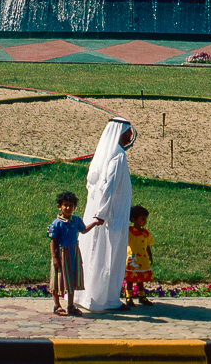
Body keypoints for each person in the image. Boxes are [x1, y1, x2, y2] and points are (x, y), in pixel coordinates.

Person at [75, 117, 134, 312]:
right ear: (119, 133)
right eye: (128, 132)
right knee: (108, 254)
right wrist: (102, 213)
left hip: (101, 211)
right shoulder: (117, 156)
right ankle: (105, 299)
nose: (130, 136)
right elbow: (108, 186)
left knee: (94, 251)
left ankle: (87, 295)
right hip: (111, 215)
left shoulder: (105, 154)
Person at [48, 191, 102, 316]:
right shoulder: (57, 223)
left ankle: (71, 306)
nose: (68, 208)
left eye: (71, 205)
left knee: (71, 278)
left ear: (74, 207)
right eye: (65, 205)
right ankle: (57, 305)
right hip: (61, 254)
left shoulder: (76, 220)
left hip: (73, 254)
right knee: (58, 278)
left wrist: (95, 223)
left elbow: (83, 230)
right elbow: (53, 241)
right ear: (59, 206)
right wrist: (54, 257)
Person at [124, 205, 154, 306]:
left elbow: (148, 245)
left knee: (141, 278)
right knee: (131, 278)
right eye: (142, 219)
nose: (145, 221)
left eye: (145, 219)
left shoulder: (145, 233)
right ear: (133, 219)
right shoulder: (129, 231)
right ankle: (129, 296)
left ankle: (142, 296)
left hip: (143, 259)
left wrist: (150, 255)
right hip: (133, 259)